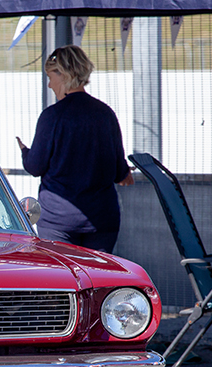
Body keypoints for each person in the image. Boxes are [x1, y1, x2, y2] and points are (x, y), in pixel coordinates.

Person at [16, 45, 134, 253]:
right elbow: (119, 172)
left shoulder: (52, 116)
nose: (49, 84)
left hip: (58, 221)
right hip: (101, 220)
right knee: (97, 274)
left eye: (50, 77)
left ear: (63, 74)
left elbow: (35, 166)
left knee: (61, 274)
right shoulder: (105, 114)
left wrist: (25, 152)